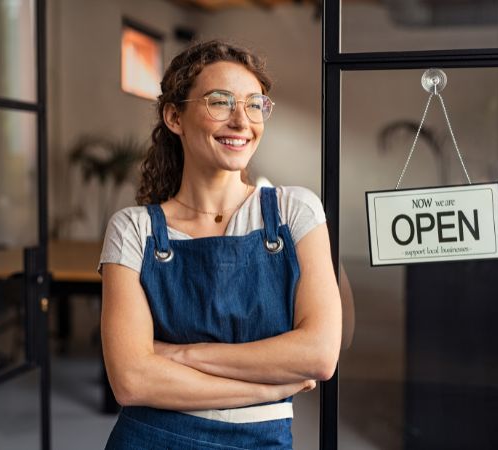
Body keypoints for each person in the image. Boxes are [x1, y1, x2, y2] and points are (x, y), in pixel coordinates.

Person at [98, 39, 342, 449]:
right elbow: (132, 381)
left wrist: (180, 355)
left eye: (254, 104)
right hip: (151, 438)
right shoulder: (132, 229)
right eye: (220, 102)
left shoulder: (294, 211)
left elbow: (318, 355)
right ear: (174, 116)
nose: (241, 121)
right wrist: (267, 388)